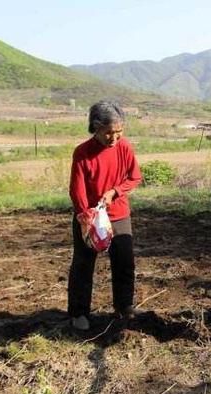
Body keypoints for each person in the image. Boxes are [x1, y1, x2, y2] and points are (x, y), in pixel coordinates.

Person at [67, 100, 142, 331]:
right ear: (96, 128)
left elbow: (134, 177)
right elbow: (76, 188)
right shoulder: (82, 153)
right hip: (89, 216)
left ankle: (124, 307)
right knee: (83, 264)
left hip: (118, 214)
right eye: (109, 133)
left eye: (119, 132)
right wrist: (84, 214)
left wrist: (115, 192)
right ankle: (79, 313)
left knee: (124, 261)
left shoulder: (125, 148)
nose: (114, 138)